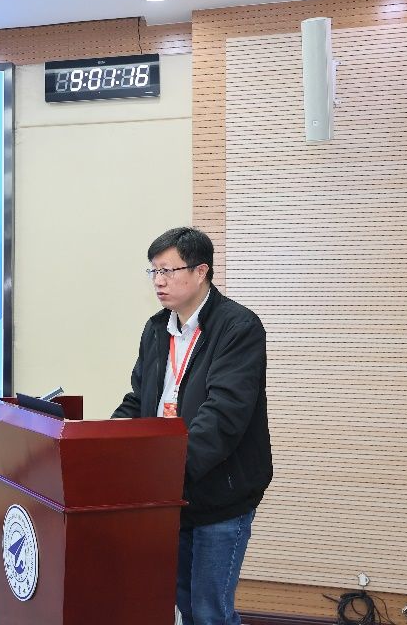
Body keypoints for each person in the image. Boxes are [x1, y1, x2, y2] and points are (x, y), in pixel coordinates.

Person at [111, 227, 272, 625]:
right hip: (169, 494)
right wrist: (104, 443)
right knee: (183, 600)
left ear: (201, 272)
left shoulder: (238, 327)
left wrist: (166, 472)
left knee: (210, 611)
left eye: (168, 270)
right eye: (153, 271)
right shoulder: (156, 328)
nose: (159, 281)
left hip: (219, 493)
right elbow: (140, 400)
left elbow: (223, 417)